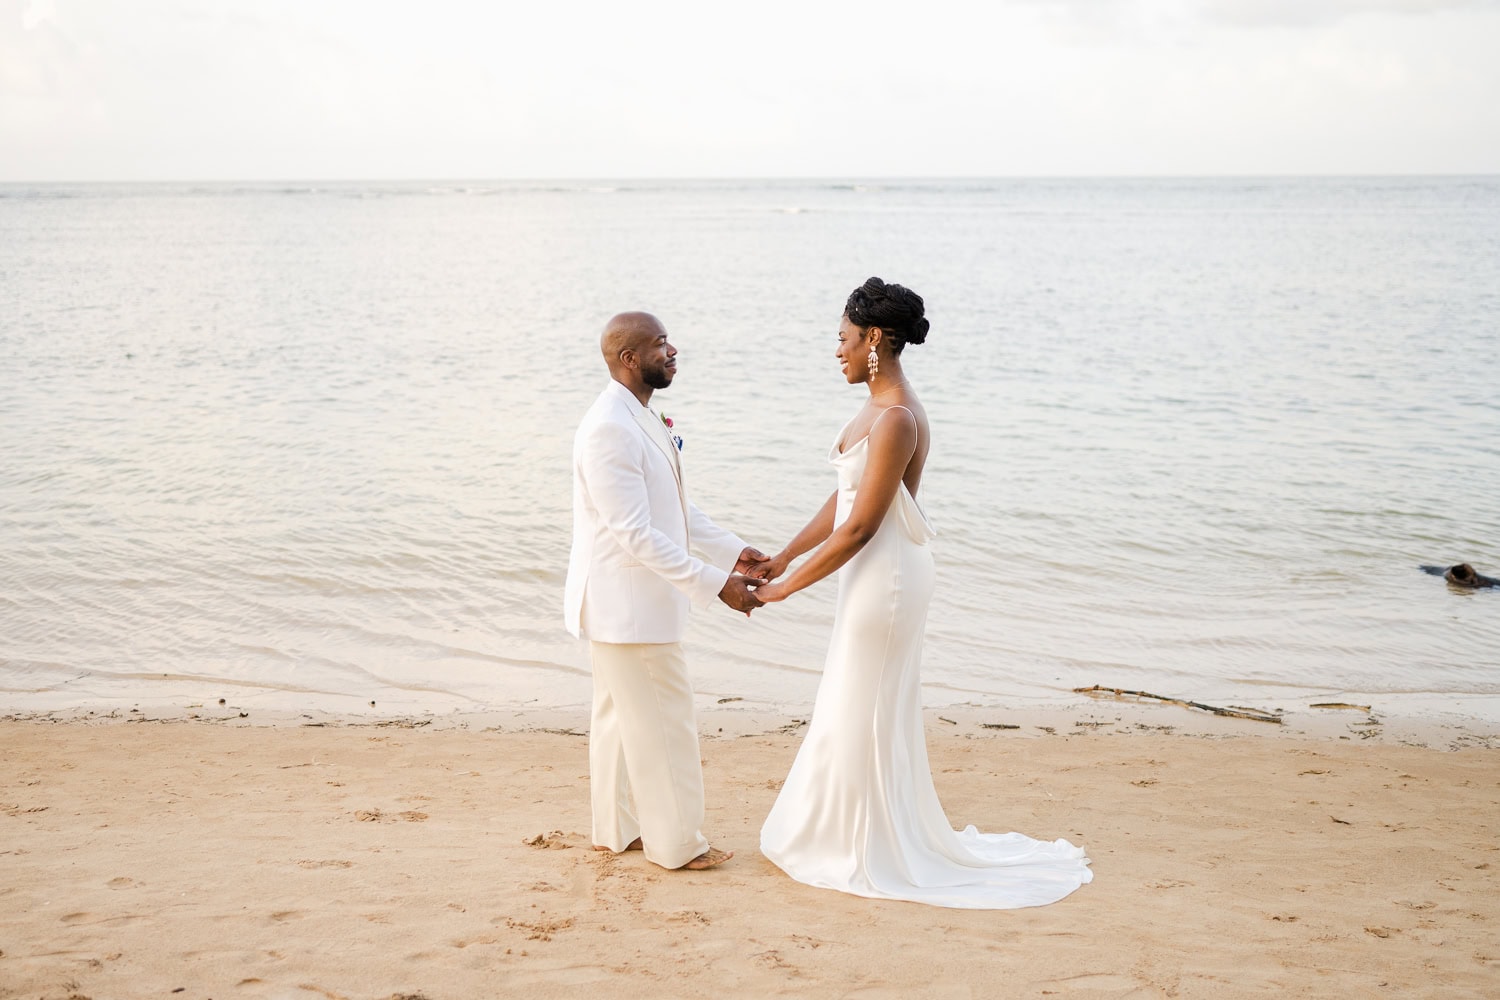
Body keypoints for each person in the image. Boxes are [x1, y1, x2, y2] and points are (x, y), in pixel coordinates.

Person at [753, 278, 1093, 907]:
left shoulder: (899, 417)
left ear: (874, 339)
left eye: (844, 339)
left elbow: (860, 527)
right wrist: (782, 557)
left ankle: (861, 844)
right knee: (852, 699)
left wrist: (783, 593)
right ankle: (840, 830)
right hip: (872, 573)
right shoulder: (874, 411)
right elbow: (843, 499)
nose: (838, 352)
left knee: (865, 703)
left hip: (887, 578)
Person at [564, 311, 768, 871]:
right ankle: (679, 845)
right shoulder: (609, 427)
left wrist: (730, 551)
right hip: (630, 608)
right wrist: (715, 584)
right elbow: (634, 534)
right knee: (664, 722)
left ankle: (616, 831)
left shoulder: (639, 416)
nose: (673, 350)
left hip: (620, 607)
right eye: (660, 344)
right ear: (630, 359)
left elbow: (671, 505)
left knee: (617, 717)